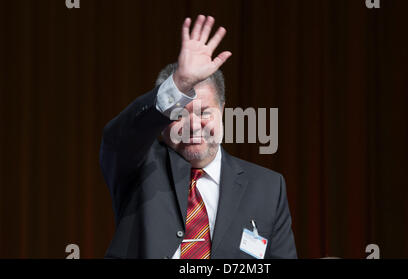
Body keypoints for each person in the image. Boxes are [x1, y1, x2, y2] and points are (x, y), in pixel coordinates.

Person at [100, 15, 297, 259]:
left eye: (204, 112)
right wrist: (178, 85)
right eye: (179, 114)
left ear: (223, 110)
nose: (193, 125)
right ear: (163, 121)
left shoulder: (268, 188)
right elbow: (117, 140)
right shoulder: (139, 166)